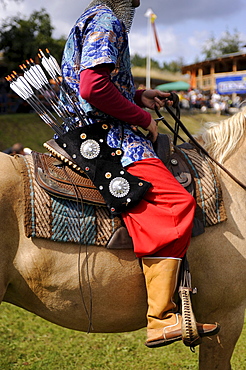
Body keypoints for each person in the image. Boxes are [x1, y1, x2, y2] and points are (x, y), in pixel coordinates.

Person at [60, 0, 220, 348]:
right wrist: (141, 117)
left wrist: (138, 94)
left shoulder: (90, 18)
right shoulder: (107, 20)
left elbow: (97, 82)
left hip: (88, 127)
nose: (135, 4)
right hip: (105, 136)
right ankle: (160, 317)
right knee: (176, 202)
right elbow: (90, 88)